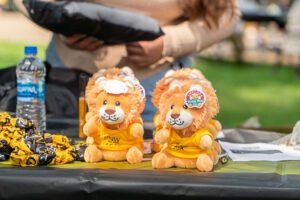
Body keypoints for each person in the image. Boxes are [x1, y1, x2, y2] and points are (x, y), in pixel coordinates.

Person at [14, 0, 240, 122]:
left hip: (153, 85)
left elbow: (225, 13)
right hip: (70, 79)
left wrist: (167, 44)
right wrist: (64, 27)